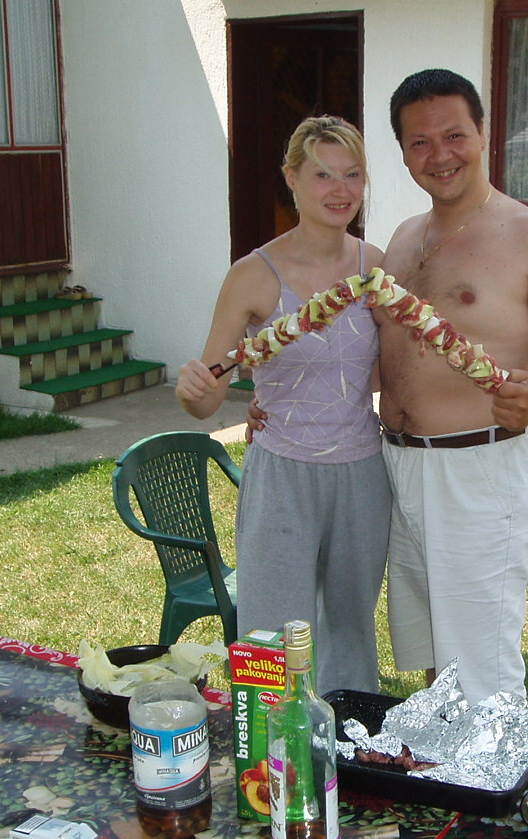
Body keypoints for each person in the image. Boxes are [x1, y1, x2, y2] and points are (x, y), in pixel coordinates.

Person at [252, 70, 528, 704]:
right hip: (397, 468)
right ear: (403, 152)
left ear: (483, 132)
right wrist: (284, 394)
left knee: (480, 665)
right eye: (420, 142)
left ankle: (496, 763)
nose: (440, 154)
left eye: (454, 135)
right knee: (434, 660)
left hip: (480, 469)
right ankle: (445, 763)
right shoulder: (403, 240)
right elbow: (376, 358)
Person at [176, 116, 390, 696]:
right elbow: (208, 392)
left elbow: (386, 370)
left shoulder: (377, 266)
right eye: (322, 174)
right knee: (270, 633)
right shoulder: (252, 275)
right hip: (281, 475)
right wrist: (194, 392)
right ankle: (266, 743)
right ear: (291, 178)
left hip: (361, 472)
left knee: (350, 627)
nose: (340, 190)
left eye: (352, 174)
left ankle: (347, 736)